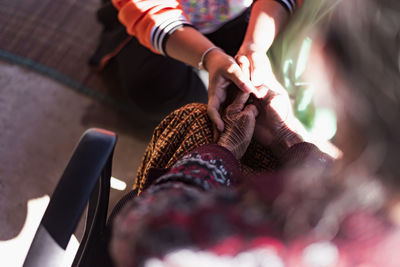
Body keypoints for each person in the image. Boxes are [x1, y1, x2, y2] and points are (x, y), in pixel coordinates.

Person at [105, 0, 400, 266]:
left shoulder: (298, 226)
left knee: (195, 121)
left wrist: (224, 152)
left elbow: (145, 235)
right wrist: (291, 139)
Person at [90, 0, 302, 122]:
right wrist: (210, 57)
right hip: (166, 18)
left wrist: (254, 45)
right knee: (152, 88)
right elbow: (147, 10)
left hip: (246, 13)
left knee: (269, 74)